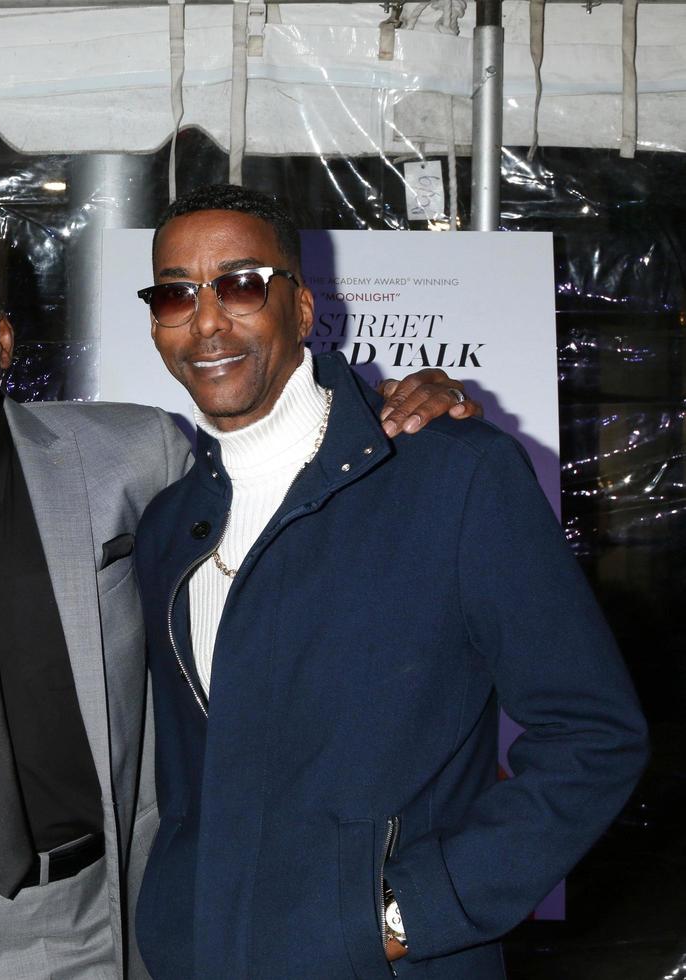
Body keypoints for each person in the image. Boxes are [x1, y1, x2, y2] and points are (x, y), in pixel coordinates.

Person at [0, 218, 476, 980]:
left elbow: (282, 466)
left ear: (3, 343)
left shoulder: (132, 458)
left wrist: (394, 412)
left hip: (83, 926)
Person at [130, 184, 648, 978]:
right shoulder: (171, 524)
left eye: (239, 284)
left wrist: (406, 914)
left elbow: (594, 736)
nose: (206, 321)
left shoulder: (453, 475)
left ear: (300, 308)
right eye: (176, 293)